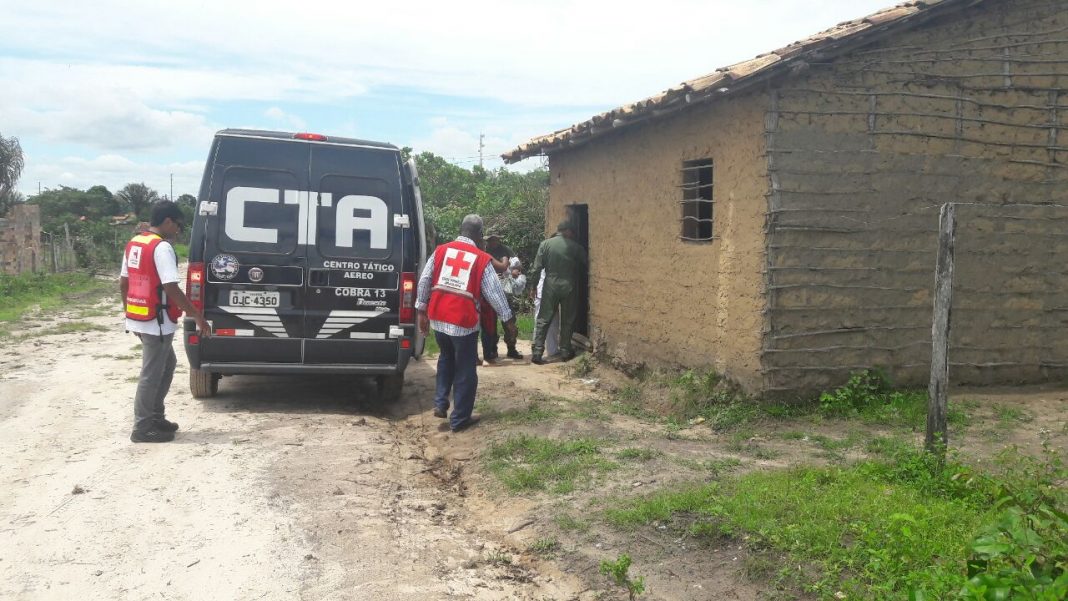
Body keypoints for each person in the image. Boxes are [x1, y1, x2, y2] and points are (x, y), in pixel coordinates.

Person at [416, 214, 518, 432]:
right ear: (479, 235)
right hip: (463, 321)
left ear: (461, 230)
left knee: (446, 358)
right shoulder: (481, 258)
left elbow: (424, 280)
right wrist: (509, 320)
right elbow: (495, 294)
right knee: (465, 369)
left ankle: (440, 402)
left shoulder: (441, 250)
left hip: (439, 318)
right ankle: (460, 419)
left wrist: (421, 310)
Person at [120, 201, 210, 443]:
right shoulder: (161, 248)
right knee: (151, 374)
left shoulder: (135, 243)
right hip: (157, 320)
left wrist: (130, 314)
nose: (178, 231)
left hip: (142, 317)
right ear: (168, 221)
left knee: (167, 364)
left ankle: (156, 417)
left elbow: (123, 283)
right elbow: (171, 287)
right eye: (178, 225)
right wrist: (197, 315)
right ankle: (142, 427)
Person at [529, 220, 587, 365]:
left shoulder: (545, 244)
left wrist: (533, 286)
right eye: (571, 232)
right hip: (569, 286)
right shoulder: (576, 247)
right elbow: (586, 265)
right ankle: (565, 351)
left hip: (550, 286)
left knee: (543, 319)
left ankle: (537, 352)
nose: (572, 234)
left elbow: (536, 269)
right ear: (567, 231)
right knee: (568, 320)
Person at [478, 232, 513, 364]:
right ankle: (491, 351)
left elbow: (513, 265)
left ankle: (511, 348)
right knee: (489, 323)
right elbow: (503, 266)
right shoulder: (484, 252)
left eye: (496, 240)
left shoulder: (505, 250)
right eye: (491, 240)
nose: (494, 242)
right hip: (487, 291)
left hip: (502, 287)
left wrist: (514, 269)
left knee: (506, 320)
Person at [500, 257, 526, 359]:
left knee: (510, 325)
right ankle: (490, 352)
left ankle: (511, 349)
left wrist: (513, 275)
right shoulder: (492, 259)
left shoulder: (515, 273)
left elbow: (517, 289)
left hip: (506, 299)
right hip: (492, 296)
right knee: (489, 326)